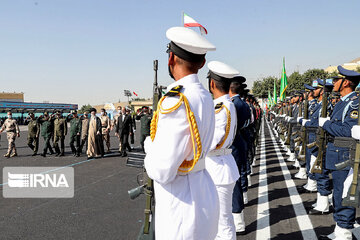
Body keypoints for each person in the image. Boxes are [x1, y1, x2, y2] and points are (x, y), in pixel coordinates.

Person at [143, 26, 218, 240]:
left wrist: (150, 146)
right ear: (202, 63)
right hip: (203, 194)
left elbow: (162, 170)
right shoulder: (204, 95)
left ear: (171, 59)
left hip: (181, 204)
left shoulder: (176, 100)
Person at [319, 66, 360, 240]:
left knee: (344, 194)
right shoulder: (344, 101)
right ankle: (340, 229)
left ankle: (344, 233)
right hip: (337, 151)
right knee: (339, 193)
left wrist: (326, 124)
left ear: (347, 82)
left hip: (345, 152)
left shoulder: (354, 103)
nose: (334, 83)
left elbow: (349, 130)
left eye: (338, 79)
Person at [205, 61, 240, 239]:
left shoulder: (220, 107)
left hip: (218, 168)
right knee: (221, 220)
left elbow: (211, 142)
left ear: (212, 84)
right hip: (221, 165)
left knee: (221, 222)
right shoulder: (227, 104)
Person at [229, 77, 251, 234]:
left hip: (235, 145)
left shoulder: (234, 105)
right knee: (237, 179)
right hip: (240, 142)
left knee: (233, 183)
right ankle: (238, 219)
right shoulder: (242, 103)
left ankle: (237, 221)